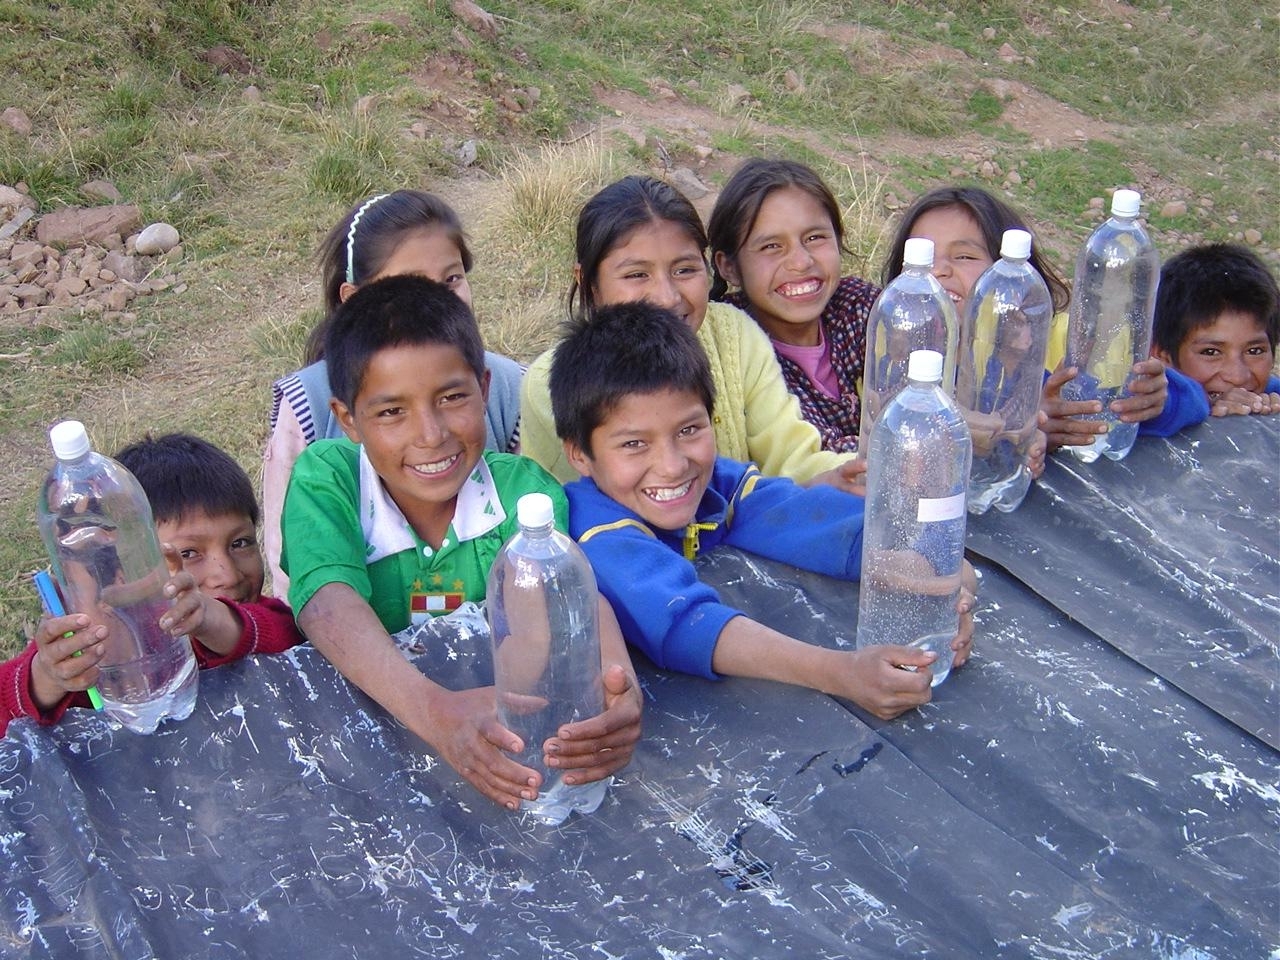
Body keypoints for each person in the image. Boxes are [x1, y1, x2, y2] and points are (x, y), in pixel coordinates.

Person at [280, 275, 641, 811]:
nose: (430, 434)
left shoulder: (523, 491)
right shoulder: (325, 480)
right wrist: (435, 712)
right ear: (347, 419)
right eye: (391, 412)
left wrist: (620, 686)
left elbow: (564, 597)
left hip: (502, 752)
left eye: (451, 398)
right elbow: (327, 605)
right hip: (368, 758)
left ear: (486, 387)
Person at [551, 300, 977, 721]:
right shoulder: (591, 531)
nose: (672, 464)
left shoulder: (712, 483)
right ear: (581, 455)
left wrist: (933, 577)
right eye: (634, 444)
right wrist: (842, 672)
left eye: (688, 430)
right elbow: (686, 623)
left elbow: (795, 515)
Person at [518, 174, 862, 493]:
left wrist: (844, 475)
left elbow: (790, 458)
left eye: (685, 269)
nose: (667, 297)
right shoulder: (550, 383)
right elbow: (572, 513)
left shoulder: (736, 336)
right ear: (589, 283)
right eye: (637, 275)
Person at [263, 190, 525, 594]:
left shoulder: (508, 385)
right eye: (410, 284)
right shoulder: (309, 403)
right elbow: (293, 563)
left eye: (452, 279)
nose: (437, 299)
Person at [2, 434, 304, 737]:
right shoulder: (99, 640)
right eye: (188, 554)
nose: (226, 574)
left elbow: (294, 639)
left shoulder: (254, 619)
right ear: (121, 567)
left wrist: (212, 620)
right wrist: (47, 676)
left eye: (240, 543)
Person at [882, 185, 1204, 452]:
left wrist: (1160, 399)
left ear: (1013, 276)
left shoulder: (1029, 352)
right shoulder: (886, 359)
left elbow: (1102, 407)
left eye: (964, 256)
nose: (938, 270)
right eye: (921, 257)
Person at [707, 158, 877, 455]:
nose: (801, 261)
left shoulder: (860, 309)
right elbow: (812, 458)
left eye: (814, 238)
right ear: (729, 267)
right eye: (772, 246)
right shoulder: (734, 351)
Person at [1152, 243, 1280, 418]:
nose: (1237, 377)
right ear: (1163, 356)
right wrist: (1206, 407)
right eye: (1211, 352)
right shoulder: (1151, 408)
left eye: (1254, 351)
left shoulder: (1270, 398)